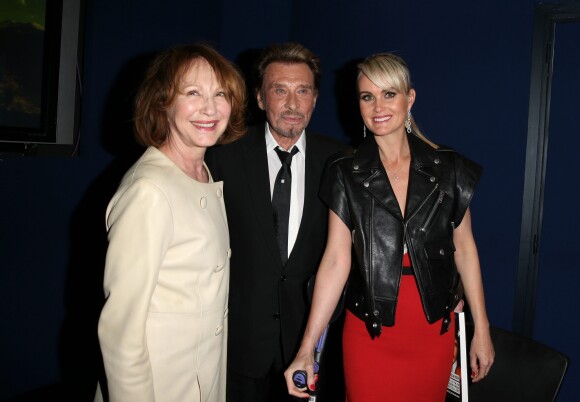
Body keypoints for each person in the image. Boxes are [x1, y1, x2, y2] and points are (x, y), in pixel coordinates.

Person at [284, 52, 495, 402]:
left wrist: (481, 329)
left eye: (389, 94)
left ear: (409, 98)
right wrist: (307, 347)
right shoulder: (344, 172)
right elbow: (336, 262)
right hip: (371, 333)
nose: (378, 106)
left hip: (432, 332)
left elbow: (466, 249)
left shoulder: (449, 168)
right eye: (367, 96)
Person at [94, 43, 247, 402]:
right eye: (192, 93)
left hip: (199, 381)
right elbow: (120, 332)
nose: (210, 108)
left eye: (220, 94)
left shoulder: (201, 172)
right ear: (162, 102)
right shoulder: (150, 190)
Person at [205, 42, 348, 402]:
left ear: (315, 98)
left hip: (310, 342)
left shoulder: (341, 162)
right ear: (259, 98)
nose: (292, 103)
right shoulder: (223, 156)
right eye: (279, 90)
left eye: (303, 91)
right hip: (239, 342)